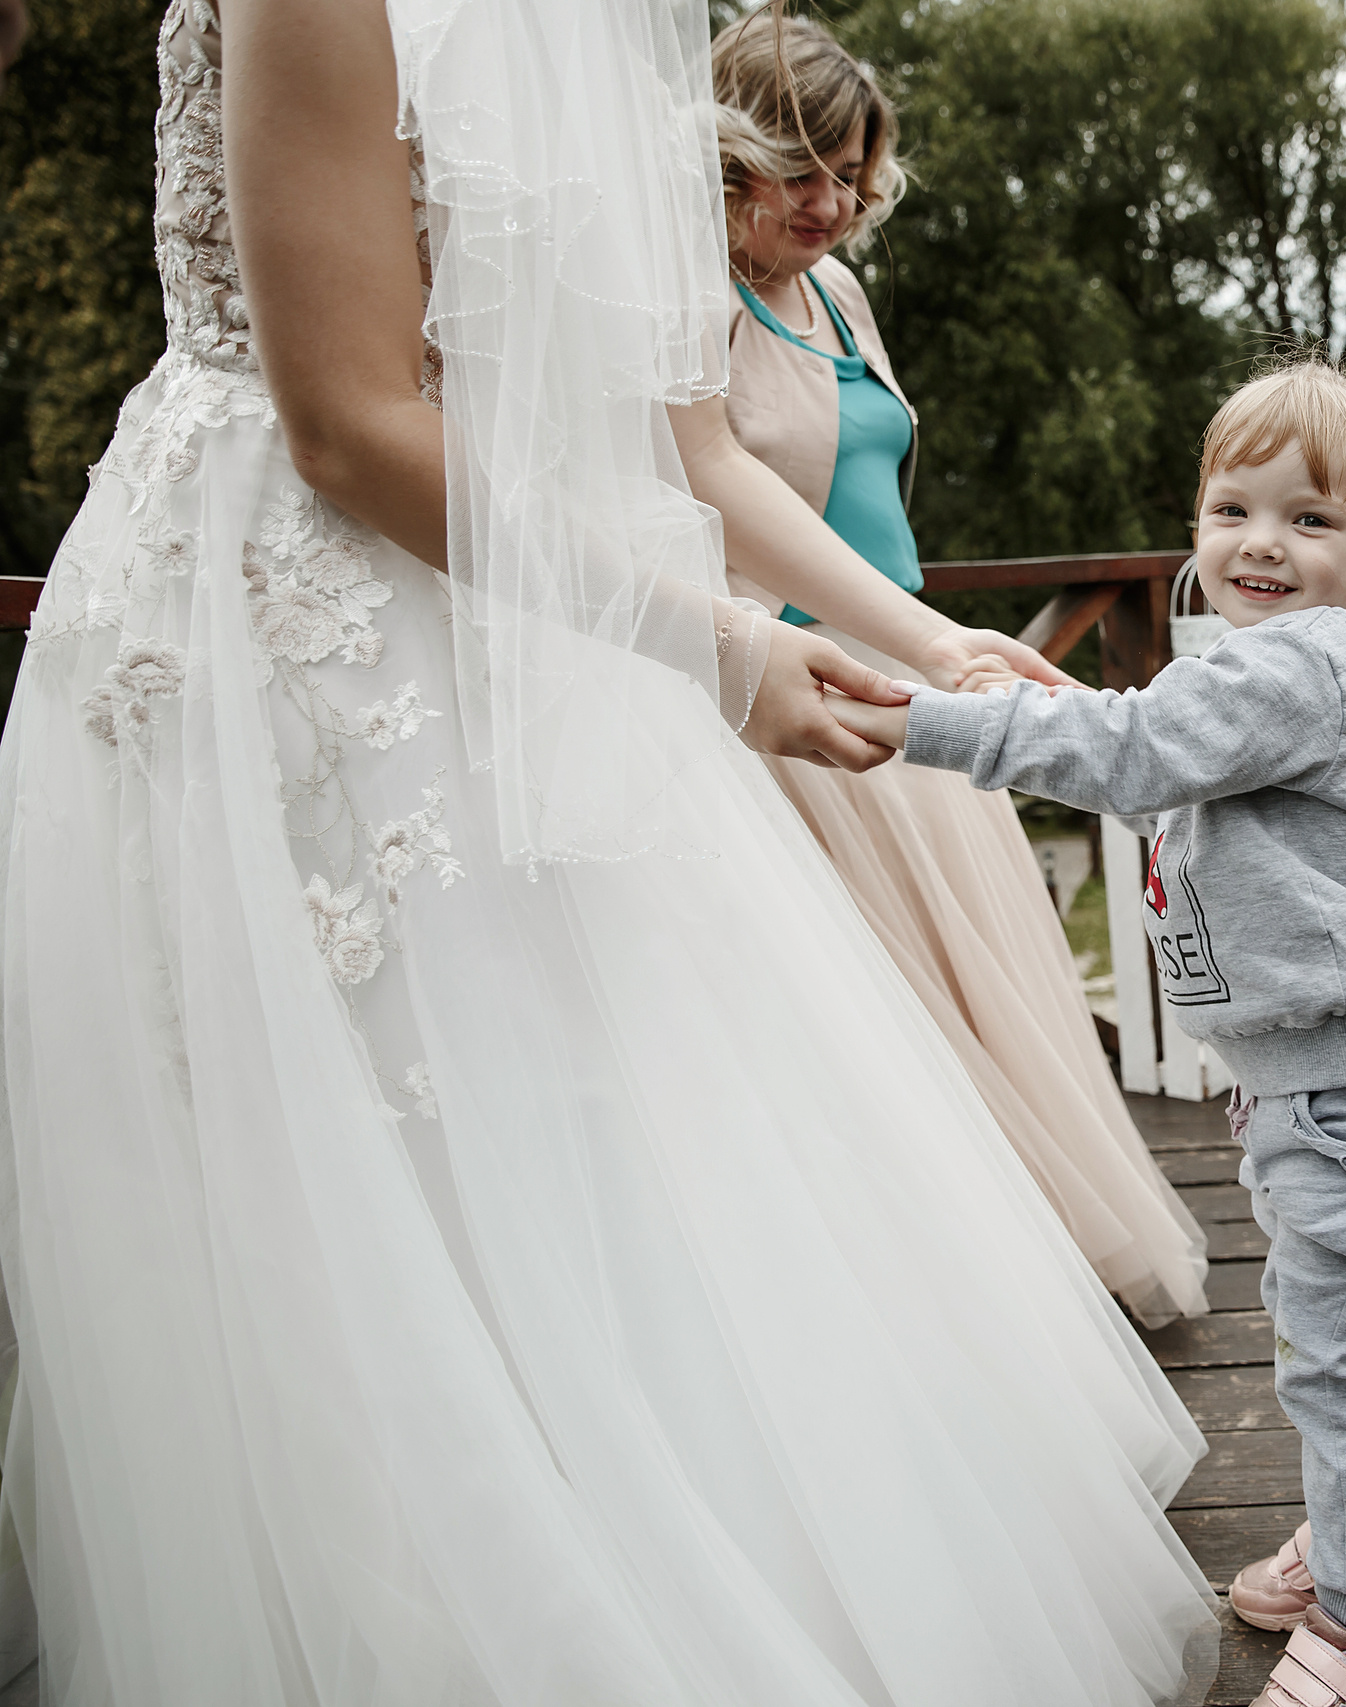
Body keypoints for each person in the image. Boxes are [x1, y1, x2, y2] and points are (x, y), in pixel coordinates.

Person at [0, 0, 1220, 1699]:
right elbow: (343, 424)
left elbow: (689, 442)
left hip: (556, 613)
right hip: (278, 635)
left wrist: (923, 638)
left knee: (618, 1144)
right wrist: (711, 646)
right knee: (323, 1195)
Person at [837, 359, 1346, 1707]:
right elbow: (1159, 772)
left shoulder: (1301, 662)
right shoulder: (1264, 670)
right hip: (1325, 1086)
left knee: (1337, 1364)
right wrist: (1038, 708)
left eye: (1309, 518)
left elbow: (1131, 754)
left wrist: (925, 721)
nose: (1261, 542)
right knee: (1323, 1342)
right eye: (1233, 508)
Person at [709, 10, 1208, 1326]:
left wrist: (932, 646)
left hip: (913, 671)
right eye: (801, 171)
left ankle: (1046, 1279)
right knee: (887, 1016)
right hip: (809, 688)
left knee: (990, 994)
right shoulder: (685, 307)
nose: (831, 204)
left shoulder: (836, 291)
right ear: (729, 156)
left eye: (850, 176)